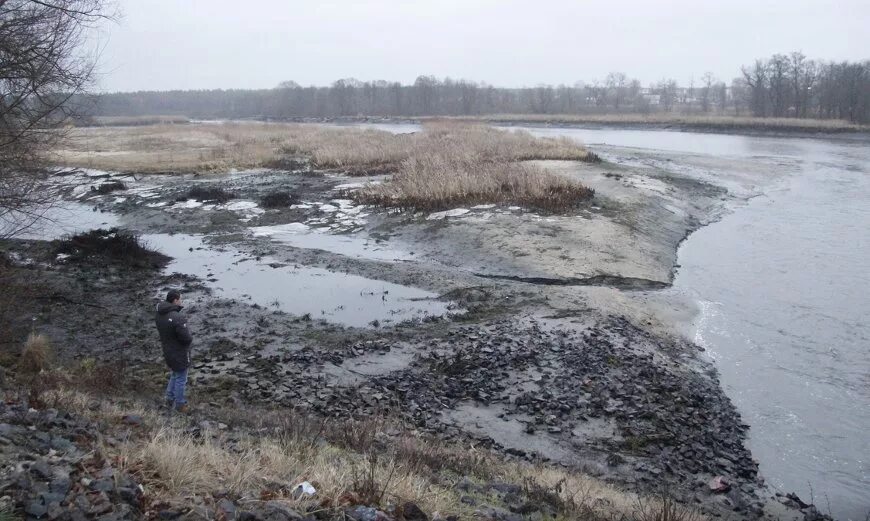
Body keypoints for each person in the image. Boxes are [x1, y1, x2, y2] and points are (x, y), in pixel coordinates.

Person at [155, 290, 193, 412]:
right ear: (175, 300)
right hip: (179, 352)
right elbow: (186, 338)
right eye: (180, 299)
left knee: (175, 374)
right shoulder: (178, 317)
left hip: (167, 350)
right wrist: (188, 341)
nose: (181, 301)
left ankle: (169, 398)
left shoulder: (159, 314)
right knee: (181, 378)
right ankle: (180, 405)